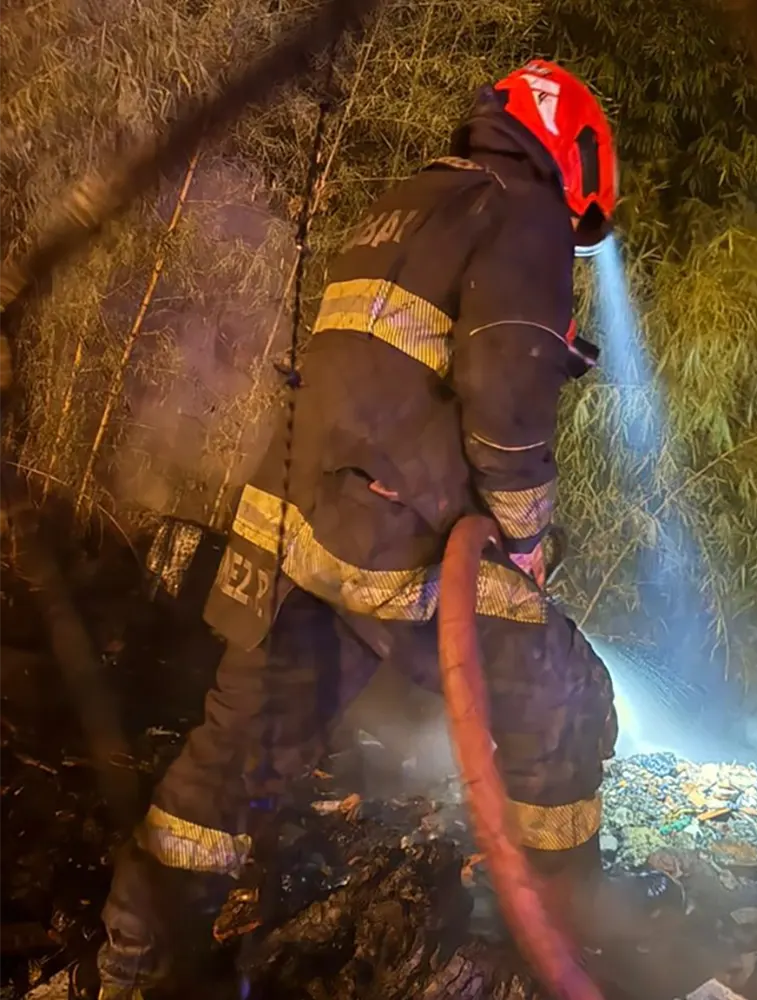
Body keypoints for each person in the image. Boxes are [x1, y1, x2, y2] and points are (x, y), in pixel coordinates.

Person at [98, 59, 621, 998]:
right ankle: (554, 937)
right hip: (394, 533)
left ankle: (135, 958)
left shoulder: (414, 197)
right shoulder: (529, 211)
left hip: (290, 518)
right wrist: (526, 534)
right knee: (568, 697)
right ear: (575, 152)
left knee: (241, 742)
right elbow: (505, 388)